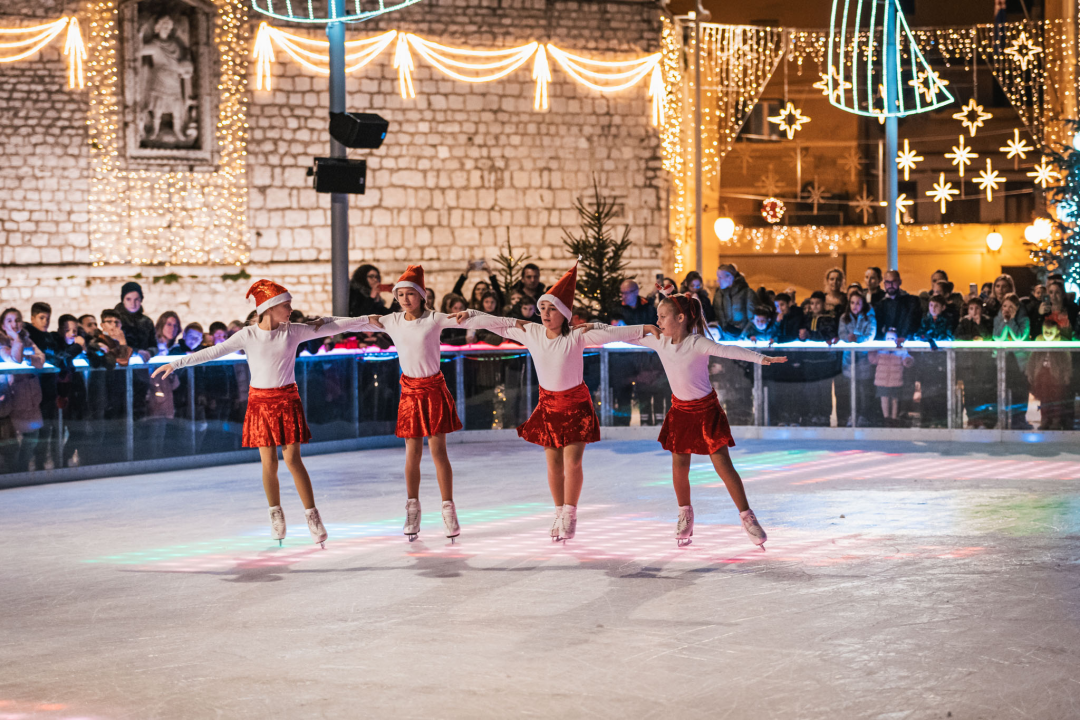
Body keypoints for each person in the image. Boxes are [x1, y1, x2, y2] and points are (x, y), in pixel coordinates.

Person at [153, 280, 372, 547]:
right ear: (269, 307)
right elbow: (213, 351)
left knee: (293, 460)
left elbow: (334, 326)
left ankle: (312, 515)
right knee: (269, 462)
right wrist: (176, 364)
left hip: (287, 400)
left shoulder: (293, 331)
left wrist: (368, 320)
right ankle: (275, 514)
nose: (291, 309)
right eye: (286, 305)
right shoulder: (247, 335)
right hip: (260, 403)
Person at [477, 261, 651, 541]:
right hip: (548, 407)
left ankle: (570, 513)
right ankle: (558, 511)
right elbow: (500, 324)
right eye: (543, 308)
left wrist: (644, 328)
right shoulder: (532, 332)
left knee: (572, 463)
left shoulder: (578, 335)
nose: (545, 314)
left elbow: (612, 332)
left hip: (575, 407)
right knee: (553, 464)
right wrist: (469, 316)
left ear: (565, 314)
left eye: (552, 309)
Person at [351, 265, 520, 542]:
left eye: (410, 294)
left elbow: (470, 320)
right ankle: (412, 508)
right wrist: (321, 323)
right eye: (400, 294)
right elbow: (356, 322)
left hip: (433, 390)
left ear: (422, 296)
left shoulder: (434, 319)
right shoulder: (392, 320)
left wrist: (484, 316)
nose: (405, 299)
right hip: (409, 393)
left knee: (438, 451)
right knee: (412, 452)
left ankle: (448, 508)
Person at [631, 287, 784, 547]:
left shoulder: (696, 343)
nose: (657, 322)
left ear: (680, 319)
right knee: (679, 465)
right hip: (680, 411)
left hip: (706, 411)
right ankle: (684, 515)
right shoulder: (659, 341)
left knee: (722, 464)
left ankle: (747, 517)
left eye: (662, 317)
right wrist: (590, 329)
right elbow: (626, 335)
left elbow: (728, 350)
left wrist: (761, 358)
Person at [610, 279, 662, 426]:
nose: (624, 296)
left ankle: (649, 421)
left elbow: (654, 327)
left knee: (647, 388)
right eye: (622, 293)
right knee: (623, 391)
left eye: (627, 293)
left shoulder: (648, 308)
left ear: (636, 292)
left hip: (645, 356)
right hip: (624, 357)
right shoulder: (616, 309)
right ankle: (622, 424)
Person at [0, 308, 45, 472]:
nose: (14, 324)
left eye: (17, 320)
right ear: (3, 325)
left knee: (32, 440)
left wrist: (27, 356)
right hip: (12, 399)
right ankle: (15, 474)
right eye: (9, 321)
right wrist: (16, 341)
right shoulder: (2, 341)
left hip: (31, 396)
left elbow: (40, 360)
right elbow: (15, 360)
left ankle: (23, 469)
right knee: (12, 444)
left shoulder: (27, 339)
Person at [837, 291, 877, 427]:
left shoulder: (869, 318)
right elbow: (842, 333)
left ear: (863, 304)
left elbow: (870, 334)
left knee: (864, 391)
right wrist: (847, 339)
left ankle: (864, 416)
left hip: (865, 359)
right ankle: (852, 416)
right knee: (851, 391)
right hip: (849, 360)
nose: (855, 306)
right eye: (852, 303)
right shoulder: (844, 317)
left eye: (858, 303)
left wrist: (858, 339)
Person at [993, 293, 1031, 429]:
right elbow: (997, 337)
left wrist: (1011, 321)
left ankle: (1019, 419)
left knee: (1019, 390)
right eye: (1004, 306)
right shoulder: (998, 319)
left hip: (1019, 361)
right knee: (1002, 389)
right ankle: (1002, 418)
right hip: (1004, 359)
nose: (1007, 309)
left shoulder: (1024, 320)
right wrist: (1004, 322)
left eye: (1010, 306)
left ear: (1017, 308)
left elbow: (1019, 337)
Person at [1027, 323, 1073, 430]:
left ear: (1057, 332)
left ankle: (1056, 421)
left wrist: (1067, 375)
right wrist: (1030, 372)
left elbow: (1067, 361)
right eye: (1045, 332)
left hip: (1056, 376)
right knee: (1044, 399)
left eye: (1050, 332)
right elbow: (1032, 358)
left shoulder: (1062, 343)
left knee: (1056, 400)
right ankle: (1045, 420)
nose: (1047, 334)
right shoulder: (1039, 341)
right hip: (1041, 374)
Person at [870, 331, 914, 427]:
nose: (890, 341)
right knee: (884, 399)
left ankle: (894, 418)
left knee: (894, 400)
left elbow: (906, 360)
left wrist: (908, 360)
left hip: (895, 380)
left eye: (892, 338)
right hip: (882, 380)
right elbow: (873, 360)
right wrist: (871, 350)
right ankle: (886, 418)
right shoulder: (881, 350)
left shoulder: (900, 350)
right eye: (888, 338)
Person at [713, 263, 757, 339]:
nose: (718, 280)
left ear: (729, 277)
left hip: (744, 339)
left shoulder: (747, 293)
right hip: (725, 338)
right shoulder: (718, 295)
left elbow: (752, 319)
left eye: (720, 277)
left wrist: (743, 336)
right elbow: (717, 317)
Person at [875, 270, 922, 341]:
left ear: (900, 282)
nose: (890, 285)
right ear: (884, 284)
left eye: (893, 281)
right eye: (888, 282)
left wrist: (904, 336)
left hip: (906, 343)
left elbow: (912, 322)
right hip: (885, 345)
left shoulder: (911, 302)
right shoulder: (879, 305)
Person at [115, 282, 156, 360]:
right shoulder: (114, 320)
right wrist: (137, 352)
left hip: (142, 367)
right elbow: (113, 345)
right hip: (120, 367)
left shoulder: (147, 321)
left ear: (141, 300)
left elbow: (154, 345)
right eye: (128, 299)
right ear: (123, 300)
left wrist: (149, 353)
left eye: (136, 299)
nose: (132, 303)